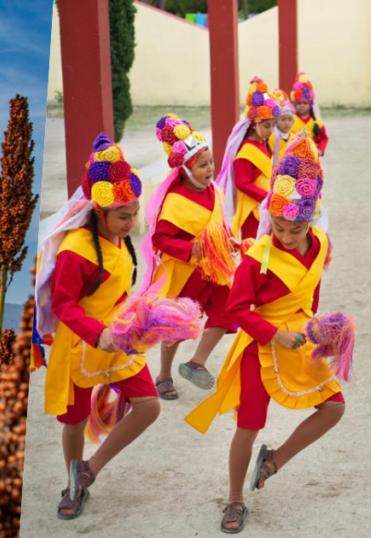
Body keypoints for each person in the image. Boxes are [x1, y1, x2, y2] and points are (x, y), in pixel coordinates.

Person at [185, 137, 341, 533]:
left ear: (312, 219)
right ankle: (235, 500)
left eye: (297, 228)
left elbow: (311, 291)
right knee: (248, 426)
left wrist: (318, 327)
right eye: (280, 227)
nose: (287, 236)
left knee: (335, 408)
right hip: (259, 346)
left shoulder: (321, 243)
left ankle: (274, 460)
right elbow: (236, 311)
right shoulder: (256, 260)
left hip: (300, 341)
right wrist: (273, 334)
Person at [35, 133, 160, 520]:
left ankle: (89, 470)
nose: (131, 222)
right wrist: (99, 333)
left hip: (118, 337)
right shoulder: (77, 251)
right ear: (98, 213)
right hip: (81, 344)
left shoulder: (118, 238)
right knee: (73, 422)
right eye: (124, 216)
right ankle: (72, 486)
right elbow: (63, 304)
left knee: (149, 406)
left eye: (134, 213)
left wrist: (136, 320)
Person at [140, 114, 235, 399]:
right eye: (203, 165)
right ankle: (164, 375)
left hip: (215, 269)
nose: (210, 169)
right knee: (177, 326)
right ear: (186, 169)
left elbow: (218, 225)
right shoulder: (175, 201)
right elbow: (160, 239)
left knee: (227, 310)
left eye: (211, 163)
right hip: (187, 272)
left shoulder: (213, 191)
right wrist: (191, 251)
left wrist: (231, 242)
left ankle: (197, 363)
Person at [217, 77, 281, 242]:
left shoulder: (263, 144)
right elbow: (241, 182)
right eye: (267, 126)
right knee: (253, 248)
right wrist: (266, 196)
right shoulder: (246, 150)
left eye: (273, 126)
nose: (271, 131)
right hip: (252, 209)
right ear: (255, 124)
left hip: (265, 203)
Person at [289, 72, 328, 156]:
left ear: (310, 104)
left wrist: (320, 149)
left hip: (312, 157)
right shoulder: (290, 120)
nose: (302, 105)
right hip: (294, 156)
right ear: (295, 104)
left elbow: (324, 138)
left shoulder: (316, 121)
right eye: (299, 103)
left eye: (305, 103)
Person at [269, 89, 296, 170]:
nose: (287, 123)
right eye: (283, 119)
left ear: (293, 121)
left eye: (289, 119)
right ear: (276, 120)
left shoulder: (295, 138)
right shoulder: (271, 137)